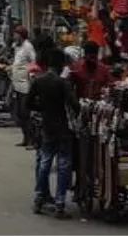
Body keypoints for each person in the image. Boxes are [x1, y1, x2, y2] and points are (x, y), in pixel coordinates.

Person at [27, 48, 77, 219]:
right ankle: (60, 203)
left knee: (45, 162)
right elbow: (74, 105)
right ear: (61, 64)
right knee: (63, 165)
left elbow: (28, 103)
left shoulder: (38, 81)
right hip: (62, 127)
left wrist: (43, 108)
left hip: (47, 126)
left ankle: (39, 198)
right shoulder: (62, 83)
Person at [9, 26, 37, 147]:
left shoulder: (28, 46)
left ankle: (32, 140)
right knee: (20, 114)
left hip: (25, 84)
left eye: (16, 34)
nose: (14, 37)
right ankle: (25, 138)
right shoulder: (16, 46)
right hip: (16, 84)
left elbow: (33, 62)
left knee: (26, 113)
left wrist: (30, 75)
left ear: (21, 35)